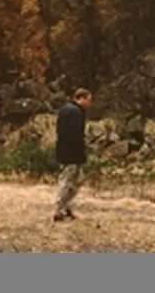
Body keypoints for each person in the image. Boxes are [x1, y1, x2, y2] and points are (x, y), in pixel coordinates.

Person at [54, 87, 92, 222]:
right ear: (82, 98)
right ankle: (60, 209)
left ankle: (66, 207)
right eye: (88, 100)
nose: (89, 104)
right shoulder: (76, 113)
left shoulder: (64, 110)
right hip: (72, 153)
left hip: (63, 150)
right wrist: (82, 151)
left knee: (74, 179)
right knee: (69, 181)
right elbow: (76, 135)